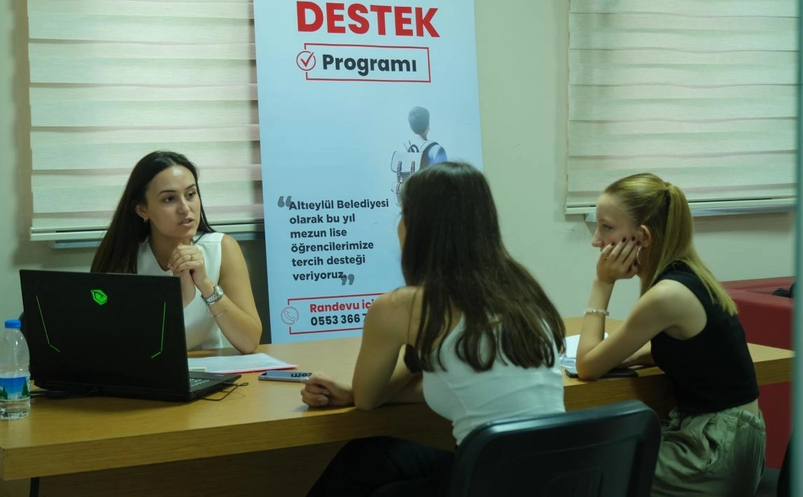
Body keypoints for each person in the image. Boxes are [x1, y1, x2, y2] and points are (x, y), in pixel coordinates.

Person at [301, 161, 566, 496]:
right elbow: (467, 384)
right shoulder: (521, 289)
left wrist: (361, 389)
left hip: (490, 481)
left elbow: (368, 399)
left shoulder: (404, 307)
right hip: (558, 474)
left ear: (416, 228)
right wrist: (360, 390)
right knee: (372, 456)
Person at [575, 173, 764, 497]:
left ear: (643, 236)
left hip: (714, 450)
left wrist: (602, 283)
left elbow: (587, 366)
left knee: (587, 470)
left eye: (606, 227)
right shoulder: (688, 274)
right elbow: (696, 351)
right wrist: (630, 357)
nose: (596, 240)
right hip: (729, 438)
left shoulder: (666, 296)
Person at [91, 151, 262, 353]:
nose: (185, 208)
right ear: (142, 210)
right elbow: (113, 346)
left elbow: (249, 342)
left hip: (208, 367)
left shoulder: (222, 248)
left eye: (190, 194)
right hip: (147, 369)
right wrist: (178, 301)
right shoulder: (125, 259)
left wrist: (206, 286)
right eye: (169, 199)